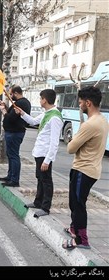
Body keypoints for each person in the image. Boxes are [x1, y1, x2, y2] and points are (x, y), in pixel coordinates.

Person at [62, 86, 109, 250]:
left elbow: (70, 148)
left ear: (88, 103)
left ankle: (81, 240)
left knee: (77, 205)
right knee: (75, 202)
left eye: (80, 102)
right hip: (92, 169)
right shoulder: (102, 120)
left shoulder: (90, 125)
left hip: (83, 170)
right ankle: (74, 229)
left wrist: (76, 136)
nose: (79, 104)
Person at [15, 89, 63, 218]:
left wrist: (48, 160)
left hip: (45, 155)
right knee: (40, 178)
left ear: (45, 100)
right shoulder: (46, 113)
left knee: (46, 180)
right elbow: (33, 121)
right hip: (39, 152)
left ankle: (46, 207)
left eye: (40, 98)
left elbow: (54, 142)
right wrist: (22, 113)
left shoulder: (54, 117)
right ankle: (38, 202)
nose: (40, 101)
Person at [0, 85, 31, 187]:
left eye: (11, 94)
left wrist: (3, 110)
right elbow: (12, 114)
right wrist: (7, 108)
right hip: (13, 132)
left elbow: (10, 118)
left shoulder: (21, 103)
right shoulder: (20, 103)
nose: (10, 96)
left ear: (16, 93)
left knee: (13, 155)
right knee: (10, 155)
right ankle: (10, 176)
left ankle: (14, 179)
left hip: (15, 133)